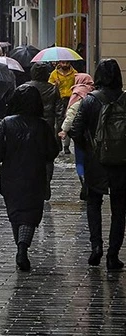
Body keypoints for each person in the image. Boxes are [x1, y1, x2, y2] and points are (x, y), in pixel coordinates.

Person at [0, 84, 60, 271]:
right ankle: (22, 247)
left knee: (16, 213)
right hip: (35, 176)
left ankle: (20, 247)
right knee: (30, 214)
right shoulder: (42, 125)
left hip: (11, 176)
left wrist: (3, 156)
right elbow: (52, 151)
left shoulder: (6, 122)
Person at [70, 59, 126, 269]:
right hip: (121, 162)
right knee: (119, 209)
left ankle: (96, 247)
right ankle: (113, 254)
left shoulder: (90, 100)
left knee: (93, 203)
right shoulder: (124, 99)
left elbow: (75, 130)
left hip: (96, 162)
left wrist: (88, 147)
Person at [27, 62, 61, 200]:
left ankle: (33, 184)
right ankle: (46, 182)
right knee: (48, 158)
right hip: (48, 126)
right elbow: (59, 112)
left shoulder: (25, 88)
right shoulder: (53, 89)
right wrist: (59, 130)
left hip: (29, 127)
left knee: (30, 156)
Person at [59, 73, 94, 200]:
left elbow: (71, 114)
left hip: (80, 133)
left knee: (80, 159)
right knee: (90, 159)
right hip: (92, 133)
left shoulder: (77, 92)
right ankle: (90, 181)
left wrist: (64, 129)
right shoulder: (92, 92)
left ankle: (84, 181)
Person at [49, 60, 78, 154]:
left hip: (71, 99)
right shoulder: (54, 74)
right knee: (59, 122)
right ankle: (58, 145)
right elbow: (49, 86)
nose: (65, 65)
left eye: (67, 63)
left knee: (69, 121)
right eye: (63, 63)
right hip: (59, 99)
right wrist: (55, 85)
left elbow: (77, 85)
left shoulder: (74, 73)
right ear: (59, 63)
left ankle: (66, 146)